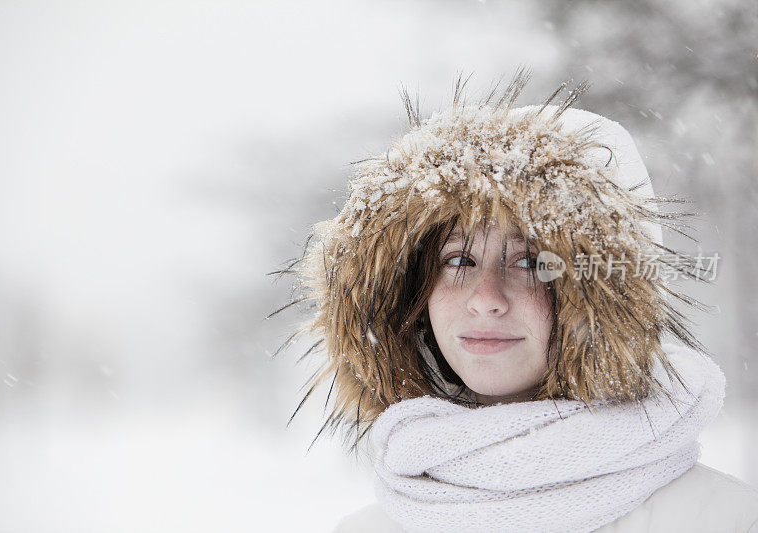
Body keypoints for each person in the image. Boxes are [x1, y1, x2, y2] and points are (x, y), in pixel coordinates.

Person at [273, 71, 758, 532]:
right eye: (459, 260)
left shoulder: (725, 522)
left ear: (601, 302)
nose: (486, 300)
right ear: (411, 297)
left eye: (530, 264)